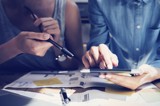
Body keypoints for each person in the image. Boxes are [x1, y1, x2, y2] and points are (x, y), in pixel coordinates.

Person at [82, 0, 160, 90]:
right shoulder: (99, 2)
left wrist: (155, 72)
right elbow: (98, 40)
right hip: (112, 80)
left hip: (155, 81)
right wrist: (98, 55)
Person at [0, 0, 83, 71]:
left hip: (52, 86)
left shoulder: (67, 8)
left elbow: (78, 65)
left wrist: (57, 45)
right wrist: (16, 46)